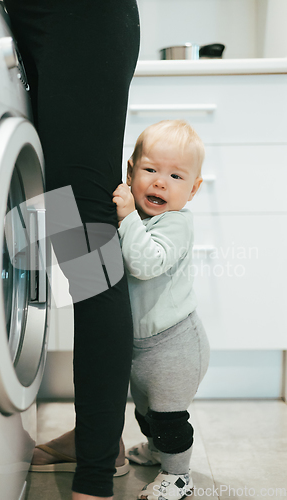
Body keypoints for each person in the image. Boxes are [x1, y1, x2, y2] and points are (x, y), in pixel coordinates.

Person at [4, 1, 140, 499]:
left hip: (79, 14)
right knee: (49, 217)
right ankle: (97, 441)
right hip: (23, 20)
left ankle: (95, 477)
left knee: (86, 238)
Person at [112, 120, 210, 500]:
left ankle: (179, 475)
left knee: (168, 417)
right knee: (146, 410)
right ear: (130, 171)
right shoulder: (145, 218)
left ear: (194, 189)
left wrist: (127, 219)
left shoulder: (175, 224)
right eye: (150, 170)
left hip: (175, 344)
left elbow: (145, 263)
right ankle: (157, 451)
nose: (160, 182)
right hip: (144, 344)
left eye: (175, 175)